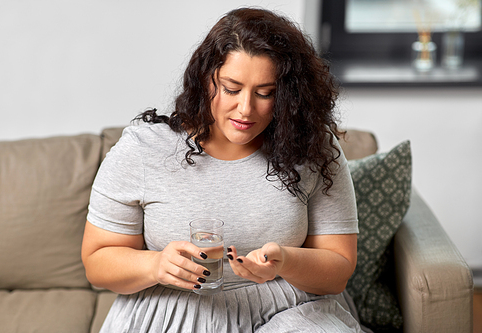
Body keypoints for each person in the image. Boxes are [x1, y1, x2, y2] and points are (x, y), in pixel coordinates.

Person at [82, 7, 367, 333]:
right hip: (175, 313)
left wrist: (286, 262)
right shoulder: (143, 149)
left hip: (290, 312)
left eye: (265, 94)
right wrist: (156, 265)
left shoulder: (313, 148)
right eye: (231, 89)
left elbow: (339, 270)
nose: (246, 109)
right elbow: (97, 262)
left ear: (288, 96)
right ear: (206, 80)